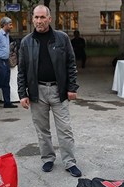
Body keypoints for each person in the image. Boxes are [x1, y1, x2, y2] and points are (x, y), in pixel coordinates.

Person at [18, 5, 82, 177]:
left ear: (49, 18)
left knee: (65, 129)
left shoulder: (62, 38)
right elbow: (22, 70)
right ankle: (47, 158)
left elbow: (71, 63)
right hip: (36, 91)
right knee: (42, 129)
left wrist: (72, 87)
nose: (39, 21)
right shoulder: (26, 42)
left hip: (58, 90)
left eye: (42, 17)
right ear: (32, 19)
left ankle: (69, 162)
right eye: (36, 17)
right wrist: (22, 94)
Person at [0, 17, 18, 109]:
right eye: (10, 24)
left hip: (6, 60)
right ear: (4, 25)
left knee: (6, 81)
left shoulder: (7, 35)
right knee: (1, 80)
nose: (11, 26)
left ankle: (7, 102)